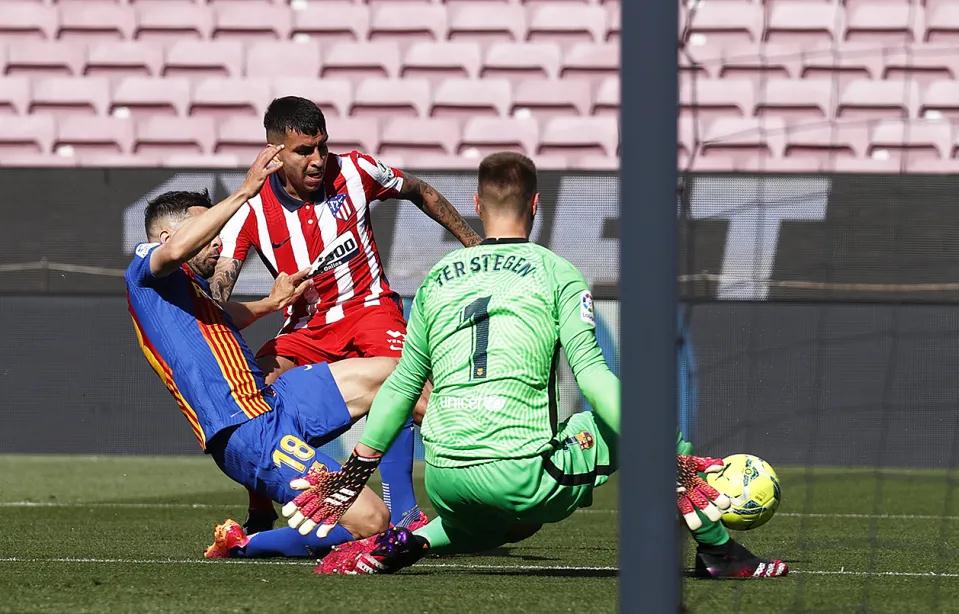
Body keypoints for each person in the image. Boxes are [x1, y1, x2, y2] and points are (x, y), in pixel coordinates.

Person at [277, 152, 789, 578]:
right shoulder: (556, 272)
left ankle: (403, 546)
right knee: (642, 419)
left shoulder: (438, 277)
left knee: (486, 525)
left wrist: (353, 472)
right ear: (537, 206)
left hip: (447, 481)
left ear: (477, 205)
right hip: (523, 475)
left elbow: (404, 385)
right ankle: (720, 553)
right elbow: (593, 378)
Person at [210, 97, 482, 532]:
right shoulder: (248, 208)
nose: (318, 159)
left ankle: (421, 507)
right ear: (274, 152)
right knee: (253, 392)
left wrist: (474, 243)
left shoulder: (355, 170)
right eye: (304, 151)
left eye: (322, 146)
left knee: (409, 385)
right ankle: (261, 509)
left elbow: (421, 191)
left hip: (369, 307)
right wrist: (258, 296)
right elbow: (218, 292)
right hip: (306, 327)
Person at [125, 146, 399, 559]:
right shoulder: (146, 266)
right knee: (373, 523)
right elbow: (173, 252)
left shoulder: (186, 289)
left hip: (275, 402)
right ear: (168, 235)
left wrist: (272, 303)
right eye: (206, 231)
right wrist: (243, 192)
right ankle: (243, 545)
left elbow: (224, 315)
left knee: (397, 373)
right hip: (247, 431)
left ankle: (473, 460)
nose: (217, 241)